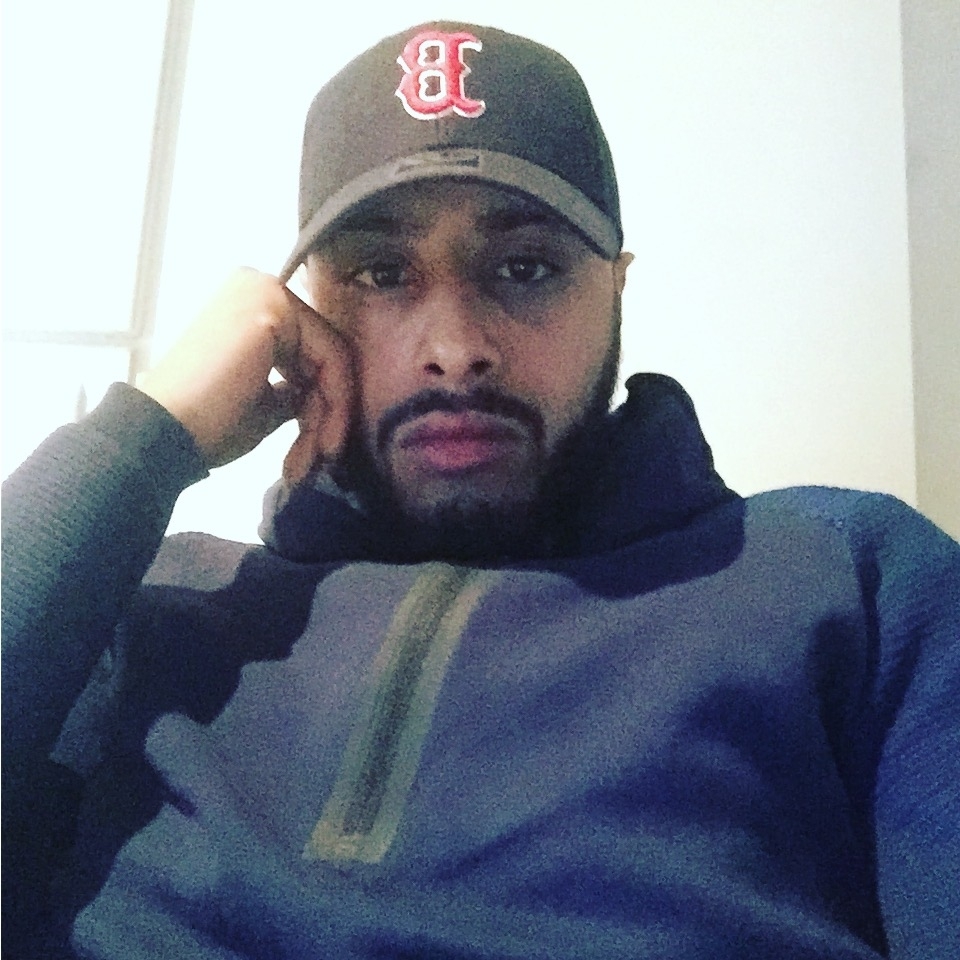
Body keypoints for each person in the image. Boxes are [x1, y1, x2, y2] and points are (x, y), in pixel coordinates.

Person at [2, 21, 958, 960]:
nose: (456, 348)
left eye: (525, 268)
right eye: (382, 273)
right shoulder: (143, 602)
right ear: (303, 310)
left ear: (617, 289)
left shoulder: (854, 579)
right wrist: (145, 437)